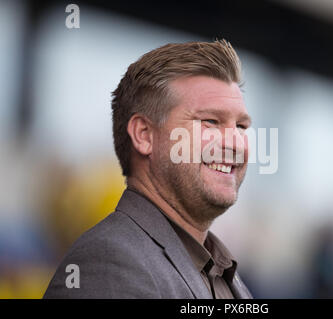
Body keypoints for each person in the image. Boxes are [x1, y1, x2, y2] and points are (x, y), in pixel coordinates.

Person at [43, 40, 253, 299]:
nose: (235, 143)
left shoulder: (222, 273)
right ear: (144, 135)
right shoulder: (110, 264)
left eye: (241, 126)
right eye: (210, 121)